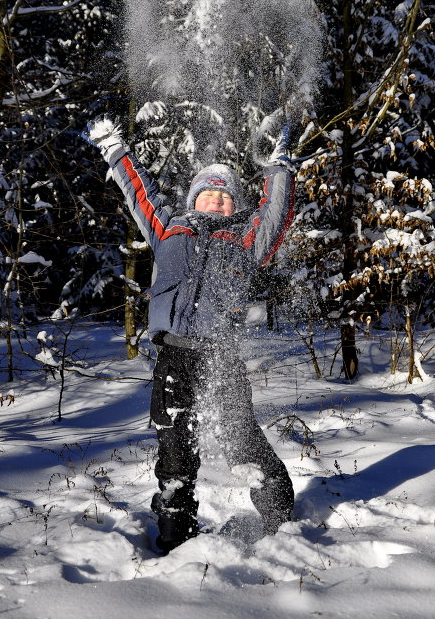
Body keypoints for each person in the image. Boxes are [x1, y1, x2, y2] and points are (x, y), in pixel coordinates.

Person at [87, 116, 295, 553]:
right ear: (193, 199)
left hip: (220, 357)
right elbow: (139, 194)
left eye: (224, 196)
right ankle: (174, 531)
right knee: (175, 445)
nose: (216, 201)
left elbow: (274, 214)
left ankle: (280, 510)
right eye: (208, 193)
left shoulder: (246, 239)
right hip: (173, 359)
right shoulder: (168, 230)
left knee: (239, 437)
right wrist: (116, 151)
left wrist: (279, 168)